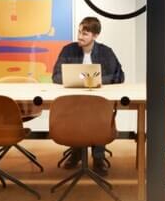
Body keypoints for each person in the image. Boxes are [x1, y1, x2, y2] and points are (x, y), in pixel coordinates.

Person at [52, 16, 124, 176]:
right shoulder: (68, 50)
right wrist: (83, 81)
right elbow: (56, 76)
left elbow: (118, 76)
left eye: (84, 33)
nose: (79, 37)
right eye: (79, 32)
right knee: (76, 113)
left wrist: (94, 81)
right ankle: (77, 152)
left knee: (98, 114)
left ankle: (98, 157)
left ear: (95, 35)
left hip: (98, 100)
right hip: (74, 100)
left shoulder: (106, 52)